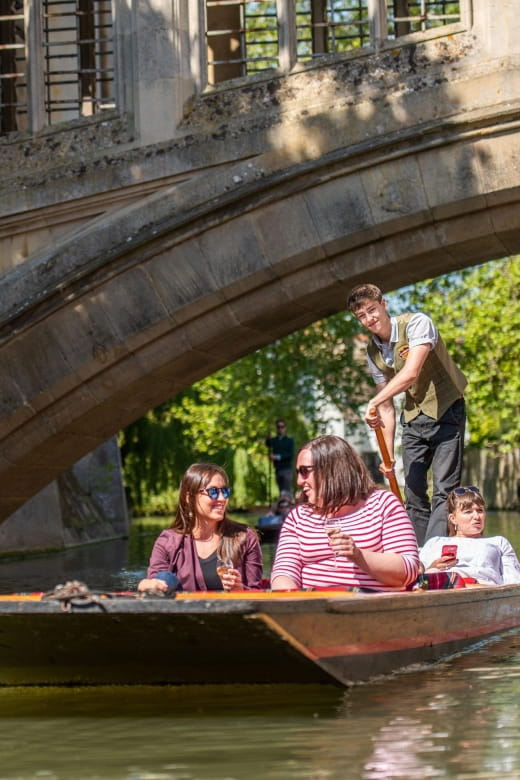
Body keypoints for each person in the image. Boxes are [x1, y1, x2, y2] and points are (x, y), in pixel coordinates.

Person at [347, 283, 467, 546]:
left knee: (443, 491)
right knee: (413, 493)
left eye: (372, 310)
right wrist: (387, 458)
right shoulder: (372, 351)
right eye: (362, 316)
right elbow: (387, 407)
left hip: (447, 409)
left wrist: (375, 401)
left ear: (384, 304)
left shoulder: (417, 324)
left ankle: (435, 553)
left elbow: (410, 372)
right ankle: (417, 556)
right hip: (414, 418)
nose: (369, 319)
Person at [270, 435, 419, 592]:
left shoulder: (383, 503)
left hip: (373, 608)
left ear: (329, 469)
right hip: (315, 608)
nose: (299, 481)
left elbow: (407, 571)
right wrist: (292, 604)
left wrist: (358, 555)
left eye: (304, 471)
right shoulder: (298, 517)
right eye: (298, 473)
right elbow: (283, 573)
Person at [137, 463, 263, 593]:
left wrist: (239, 589)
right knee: (164, 578)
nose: (222, 499)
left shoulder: (245, 537)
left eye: (225, 492)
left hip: (231, 611)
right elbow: (154, 581)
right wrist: (147, 584)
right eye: (213, 492)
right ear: (189, 497)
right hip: (183, 611)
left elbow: (256, 592)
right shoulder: (168, 541)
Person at [420, 486, 520, 586]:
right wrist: (432, 567)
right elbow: (415, 576)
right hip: (441, 587)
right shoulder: (435, 542)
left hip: (482, 590)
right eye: (468, 512)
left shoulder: (499, 542)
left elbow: (514, 583)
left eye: (480, 510)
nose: (476, 517)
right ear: (453, 518)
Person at [265, 419, 295, 497]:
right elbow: (268, 444)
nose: (280, 429)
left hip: (287, 469)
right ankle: (283, 507)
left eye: (282, 427)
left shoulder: (289, 441)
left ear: (285, 428)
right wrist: (267, 438)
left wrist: (277, 457)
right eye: (278, 427)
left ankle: (287, 507)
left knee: (286, 490)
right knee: (281, 490)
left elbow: (290, 455)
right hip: (278, 469)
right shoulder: (274, 440)